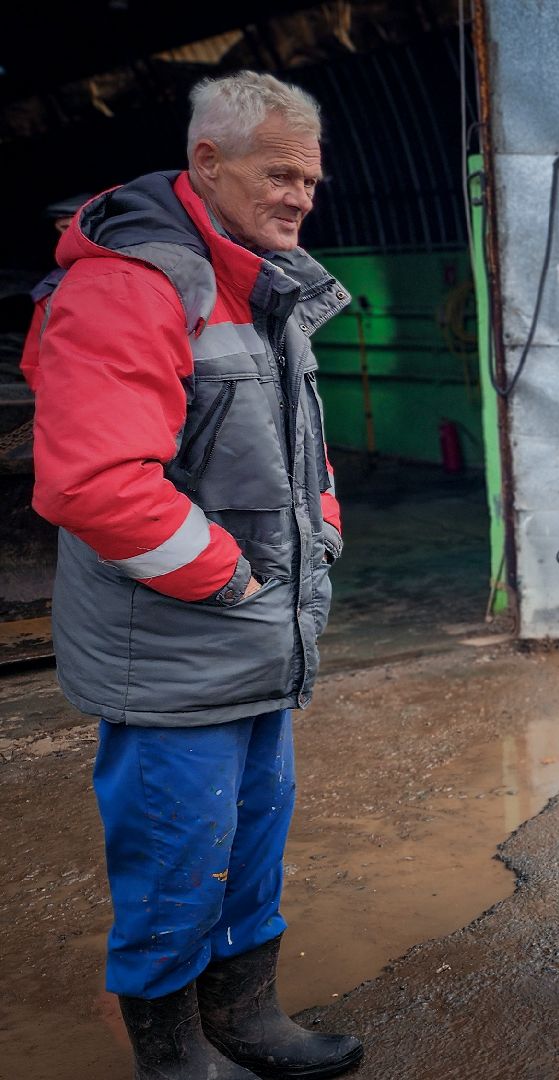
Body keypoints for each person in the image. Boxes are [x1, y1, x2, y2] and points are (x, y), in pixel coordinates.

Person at [20, 72, 363, 1079]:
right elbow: (94, 483)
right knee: (178, 860)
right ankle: (175, 1058)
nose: (301, 193)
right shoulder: (133, 282)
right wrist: (231, 580)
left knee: (251, 841)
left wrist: (323, 528)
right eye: (278, 172)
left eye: (310, 176)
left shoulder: (259, 278)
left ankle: (246, 1018)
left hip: (254, 633)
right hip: (176, 644)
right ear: (206, 163)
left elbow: (294, 447)